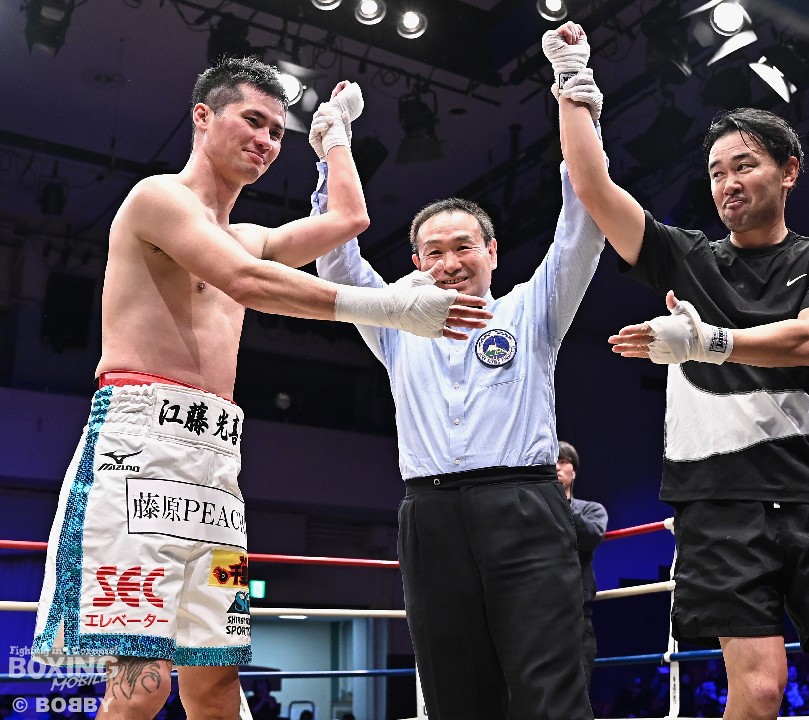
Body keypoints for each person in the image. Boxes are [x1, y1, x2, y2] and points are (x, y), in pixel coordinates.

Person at [30, 57, 490, 720]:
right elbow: (245, 283)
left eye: (277, 130)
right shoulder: (158, 199)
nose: (267, 140)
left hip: (216, 469)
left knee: (216, 683)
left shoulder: (249, 237)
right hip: (137, 453)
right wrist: (391, 307)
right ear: (202, 116)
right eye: (252, 120)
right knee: (140, 683)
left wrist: (333, 138)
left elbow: (350, 218)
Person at [551, 25, 809, 720]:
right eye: (715, 172)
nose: (727, 183)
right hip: (716, 501)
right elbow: (592, 185)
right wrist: (572, 83)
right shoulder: (687, 259)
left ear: (789, 170)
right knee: (759, 689)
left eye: (744, 165)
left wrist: (702, 341)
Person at [313, 22, 604, 720]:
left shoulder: (531, 309)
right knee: (453, 697)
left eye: (464, 247)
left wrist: (574, 88)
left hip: (524, 506)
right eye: (435, 252)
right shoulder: (395, 321)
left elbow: (583, 220)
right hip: (431, 515)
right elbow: (337, 263)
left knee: (551, 691)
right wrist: (332, 145)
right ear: (417, 262)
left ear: (492, 252)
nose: (450, 262)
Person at [557, 440, 609, 689]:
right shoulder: (534, 512)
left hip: (577, 613)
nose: (556, 467)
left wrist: (561, 503)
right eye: (551, 463)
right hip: (539, 612)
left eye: (562, 461)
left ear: (573, 471)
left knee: (578, 691)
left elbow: (591, 537)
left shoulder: (592, 510)